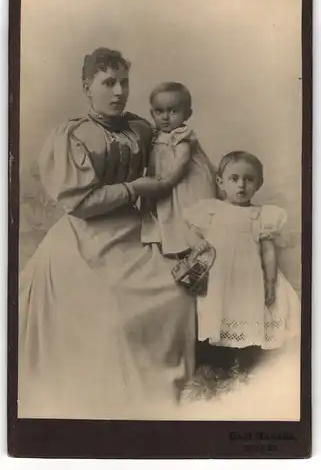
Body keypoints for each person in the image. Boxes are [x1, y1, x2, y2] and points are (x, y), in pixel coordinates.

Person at [18, 48, 196, 419]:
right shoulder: (72, 135)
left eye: (124, 83)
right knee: (112, 315)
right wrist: (135, 189)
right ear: (88, 87)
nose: (118, 92)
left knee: (177, 295)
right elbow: (80, 203)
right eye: (108, 83)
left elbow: (176, 166)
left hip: (135, 231)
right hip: (85, 236)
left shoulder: (142, 128)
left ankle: (172, 385)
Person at [183, 151, 301, 372]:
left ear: (259, 184)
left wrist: (270, 280)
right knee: (217, 313)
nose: (241, 185)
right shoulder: (212, 210)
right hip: (219, 276)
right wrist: (198, 244)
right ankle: (216, 363)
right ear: (220, 182)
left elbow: (268, 251)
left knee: (247, 313)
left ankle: (248, 361)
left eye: (249, 179)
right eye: (234, 179)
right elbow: (192, 232)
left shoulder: (261, 215)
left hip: (248, 278)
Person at [141, 82, 217, 257]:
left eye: (173, 111)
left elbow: (182, 160)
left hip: (183, 181)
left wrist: (168, 182)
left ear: (187, 114)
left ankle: (194, 249)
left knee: (185, 214)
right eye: (159, 111)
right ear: (152, 113)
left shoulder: (181, 134)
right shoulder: (156, 135)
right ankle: (174, 249)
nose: (166, 117)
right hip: (165, 180)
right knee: (166, 212)